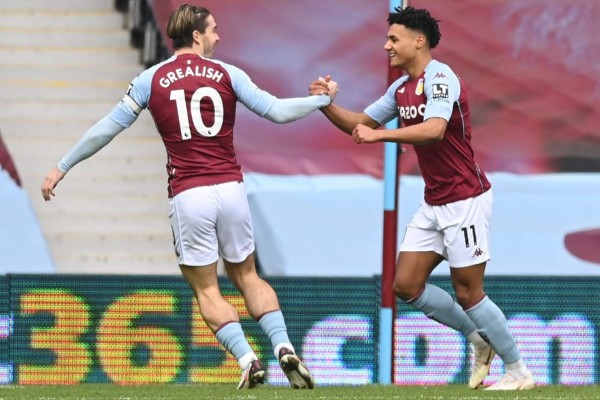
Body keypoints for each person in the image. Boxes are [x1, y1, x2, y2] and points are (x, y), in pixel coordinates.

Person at [41, 4, 333, 390]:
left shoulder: (150, 79)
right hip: (230, 188)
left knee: (206, 288)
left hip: (189, 193)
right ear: (196, 35)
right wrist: (321, 101)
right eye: (212, 30)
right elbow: (276, 111)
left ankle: (247, 359)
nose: (218, 36)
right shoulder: (228, 73)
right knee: (247, 275)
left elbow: (106, 129)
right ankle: (283, 346)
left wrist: (62, 166)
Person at [309, 6, 534, 391]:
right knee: (406, 285)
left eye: (393, 39)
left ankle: (518, 371)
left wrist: (380, 137)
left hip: (465, 199)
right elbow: (362, 123)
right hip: (435, 201)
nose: (386, 46)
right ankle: (479, 338)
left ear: (419, 41)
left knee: (468, 291)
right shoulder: (400, 89)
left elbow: (434, 129)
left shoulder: (440, 77)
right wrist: (324, 104)